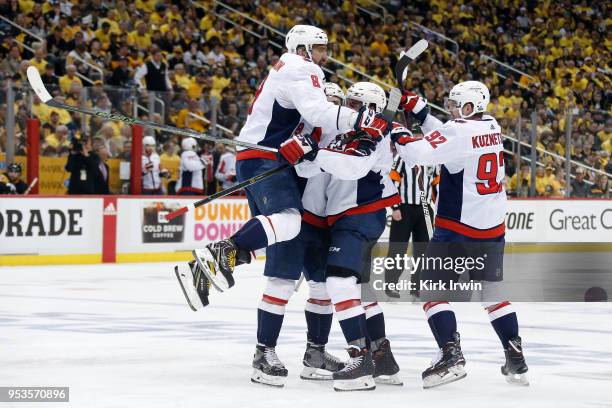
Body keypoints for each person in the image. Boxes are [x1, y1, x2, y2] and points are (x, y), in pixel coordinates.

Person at [188, 25, 387, 292]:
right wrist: (358, 119)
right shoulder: (301, 67)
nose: (325, 57)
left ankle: (223, 260)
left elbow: (310, 122)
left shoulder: (286, 67)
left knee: (277, 228)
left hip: (259, 155)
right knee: (289, 220)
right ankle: (221, 253)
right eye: (320, 49)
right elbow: (317, 112)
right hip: (264, 156)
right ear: (303, 48)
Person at [394, 81, 529, 388]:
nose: (452, 110)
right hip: (492, 226)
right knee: (493, 295)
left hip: (458, 227)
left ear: (469, 108)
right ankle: (516, 356)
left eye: (456, 105)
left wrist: (396, 131)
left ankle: (450, 354)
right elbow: (449, 135)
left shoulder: (457, 132)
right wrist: (420, 111)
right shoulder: (491, 125)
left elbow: (417, 153)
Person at [294, 82, 403, 391]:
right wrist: (300, 155)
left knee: (338, 283)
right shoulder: (345, 130)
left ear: (369, 107)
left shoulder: (374, 129)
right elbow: (313, 170)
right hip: (345, 216)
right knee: (357, 289)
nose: (347, 109)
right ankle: (383, 359)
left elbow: (352, 166)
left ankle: (360, 359)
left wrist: (313, 153)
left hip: (360, 213)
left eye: (354, 104)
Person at [385, 153, 436, 299]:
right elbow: (393, 181)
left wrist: (438, 209)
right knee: (397, 249)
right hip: (404, 208)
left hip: (425, 209)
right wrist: (395, 207)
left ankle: (417, 287)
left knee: (423, 251)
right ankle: (391, 285)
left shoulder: (432, 158)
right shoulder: (402, 157)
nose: (419, 137)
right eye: (416, 133)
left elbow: (436, 184)